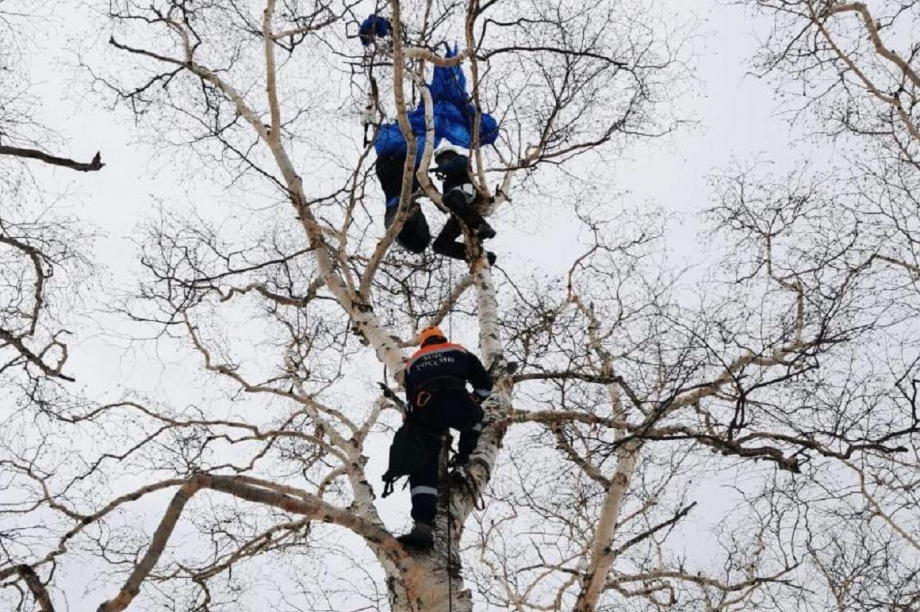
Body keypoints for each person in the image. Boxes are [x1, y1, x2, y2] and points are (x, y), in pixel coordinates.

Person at [396, 325, 493, 549]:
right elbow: (485, 386)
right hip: (457, 402)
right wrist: (474, 401)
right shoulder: (459, 351)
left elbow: (410, 399)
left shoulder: (413, 362)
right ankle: (462, 461)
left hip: (425, 411)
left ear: (423, 342)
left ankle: (423, 526)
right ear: (442, 337)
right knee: (475, 420)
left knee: (422, 465)